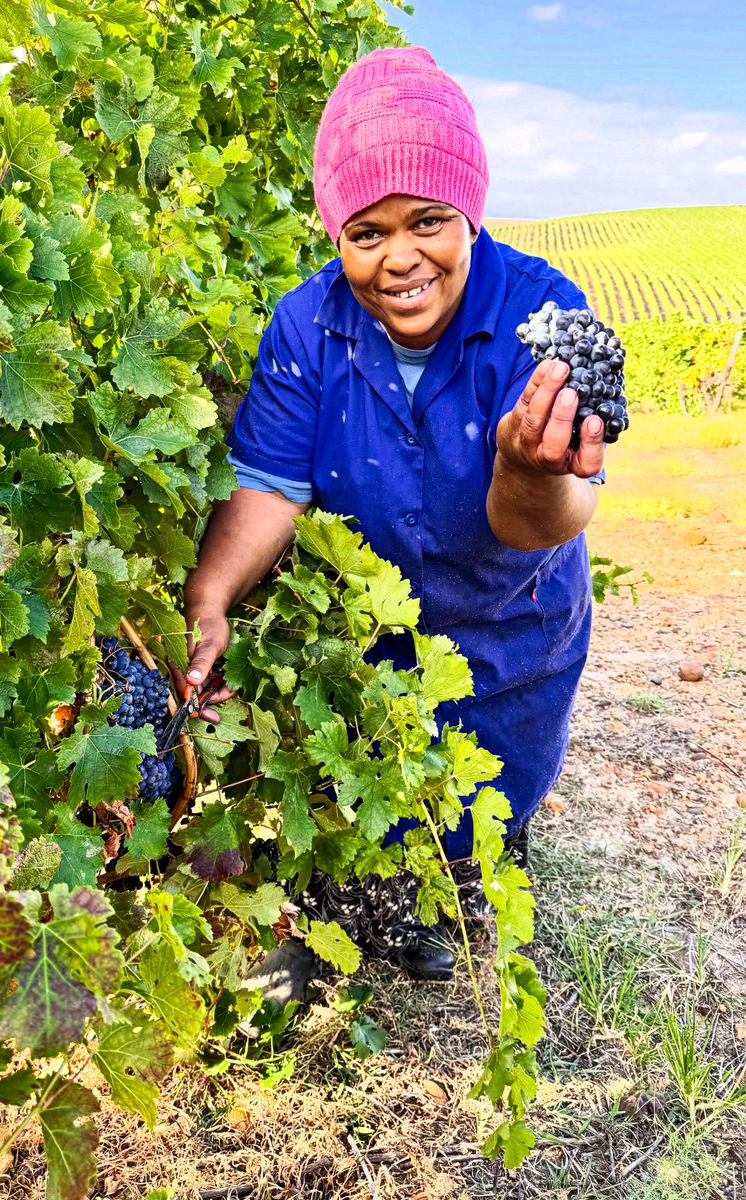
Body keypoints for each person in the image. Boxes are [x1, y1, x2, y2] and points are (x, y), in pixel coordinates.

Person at [180, 47, 606, 993]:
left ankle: (457, 882)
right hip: (371, 634)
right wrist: (210, 594)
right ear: (336, 235)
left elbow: (547, 518)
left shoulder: (541, 314)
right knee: (368, 795)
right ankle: (371, 900)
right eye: (365, 232)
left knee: (483, 799)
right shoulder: (306, 325)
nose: (399, 257)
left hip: (510, 631)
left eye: (429, 221)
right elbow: (270, 485)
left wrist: (528, 469)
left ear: (472, 214)